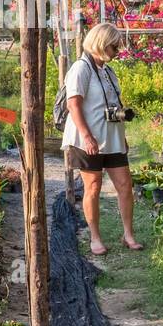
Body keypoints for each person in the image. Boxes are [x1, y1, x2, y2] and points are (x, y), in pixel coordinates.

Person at [62, 22, 142, 255]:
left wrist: (122, 136)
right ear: (102, 44)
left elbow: (114, 104)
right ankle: (95, 238)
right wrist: (87, 136)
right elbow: (73, 104)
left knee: (125, 185)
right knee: (93, 187)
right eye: (114, 47)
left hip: (111, 136)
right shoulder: (81, 68)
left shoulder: (107, 70)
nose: (117, 52)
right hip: (87, 138)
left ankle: (128, 234)